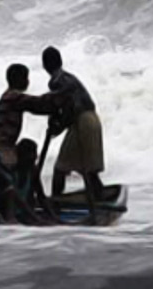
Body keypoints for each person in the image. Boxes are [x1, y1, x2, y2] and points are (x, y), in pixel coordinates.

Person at [42, 46, 104, 220]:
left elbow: (69, 109)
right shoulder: (69, 77)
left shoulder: (56, 82)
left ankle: (55, 207)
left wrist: (58, 128)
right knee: (89, 170)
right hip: (92, 120)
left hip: (81, 121)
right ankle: (100, 201)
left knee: (60, 168)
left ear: (45, 65)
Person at [0, 63, 57, 168]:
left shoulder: (8, 95)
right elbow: (39, 104)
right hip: (1, 148)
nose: (28, 81)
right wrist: (59, 96)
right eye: (25, 78)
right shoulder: (14, 97)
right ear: (19, 80)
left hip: (1, 144)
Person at [13, 138, 57, 223]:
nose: (35, 156)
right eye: (31, 153)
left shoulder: (33, 172)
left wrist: (53, 216)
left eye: (35, 153)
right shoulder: (12, 172)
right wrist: (37, 219)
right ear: (21, 155)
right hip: (15, 214)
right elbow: (18, 200)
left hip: (28, 214)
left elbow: (41, 197)